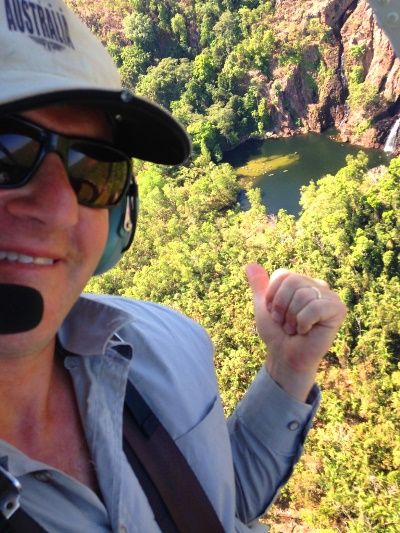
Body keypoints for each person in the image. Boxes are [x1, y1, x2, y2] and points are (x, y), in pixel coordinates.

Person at [0, 1, 347, 531]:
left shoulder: (170, 348)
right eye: (6, 151)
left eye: (94, 168)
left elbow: (222, 502)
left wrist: (287, 371)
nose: (59, 207)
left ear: (120, 220)